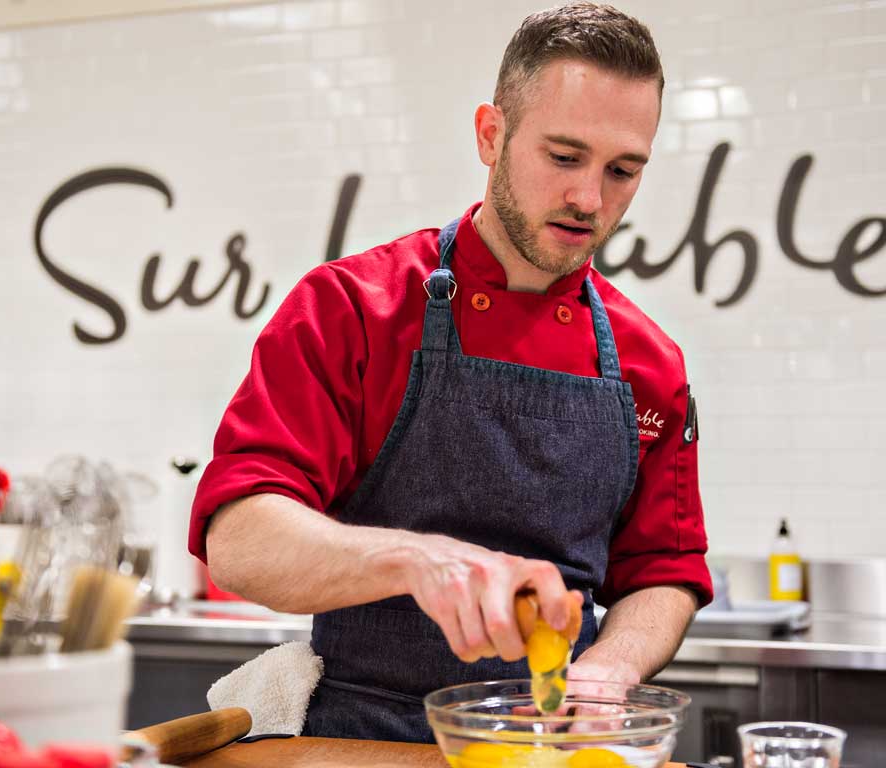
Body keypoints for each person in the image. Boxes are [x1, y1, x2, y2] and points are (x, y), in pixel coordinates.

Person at [189, 2, 712, 743]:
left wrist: (611, 666)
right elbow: (240, 540)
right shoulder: (352, 309)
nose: (590, 200)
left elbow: (663, 569)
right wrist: (415, 560)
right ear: (491, 135)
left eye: (622, 170)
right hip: (357, 739)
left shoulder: (648, 363)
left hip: (550, 740)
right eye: (564, 157)